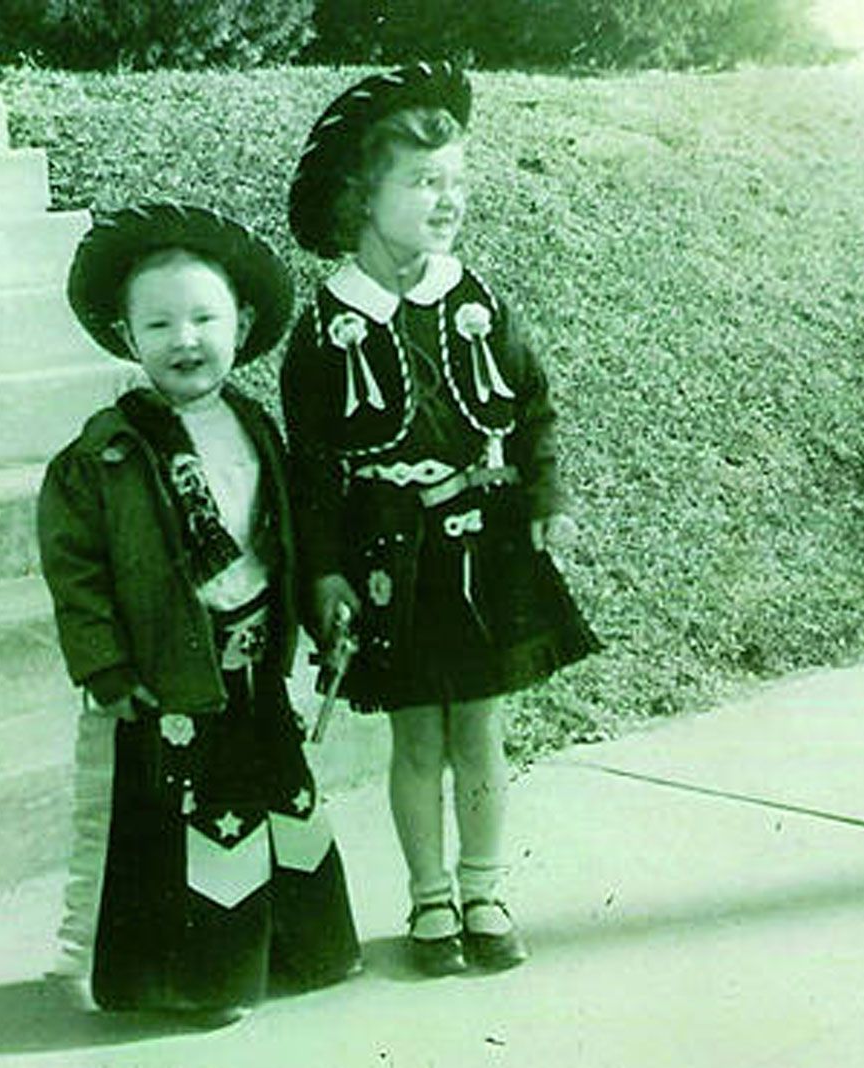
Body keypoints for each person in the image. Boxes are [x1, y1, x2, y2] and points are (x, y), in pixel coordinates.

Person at [281, 63, 600, 977]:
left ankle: (486, 889)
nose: (447, 201)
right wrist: (327, 573)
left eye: (457, 182)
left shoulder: (479, 302)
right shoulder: (326, 325)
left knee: (482, 730)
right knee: (418, 733)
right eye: (423, 184)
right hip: (391, 554)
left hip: (484, 543)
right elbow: (311, 469)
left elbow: (534, 408)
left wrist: (545, 498)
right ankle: (428, 901)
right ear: (361, 199)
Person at [37, 202, 361, 1024]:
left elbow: (284, 532)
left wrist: (318, 613)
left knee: (279, 800)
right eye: (160, 323)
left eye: (204, 317)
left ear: (241, 323)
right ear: (126, 336)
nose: (185, 339)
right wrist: (104, 666)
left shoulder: (255, 425)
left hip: (256, 662)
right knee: (195, 821)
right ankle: (203, 977)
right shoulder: (106, 453)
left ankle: (297, 951)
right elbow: (77, 572)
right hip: (172, 670)